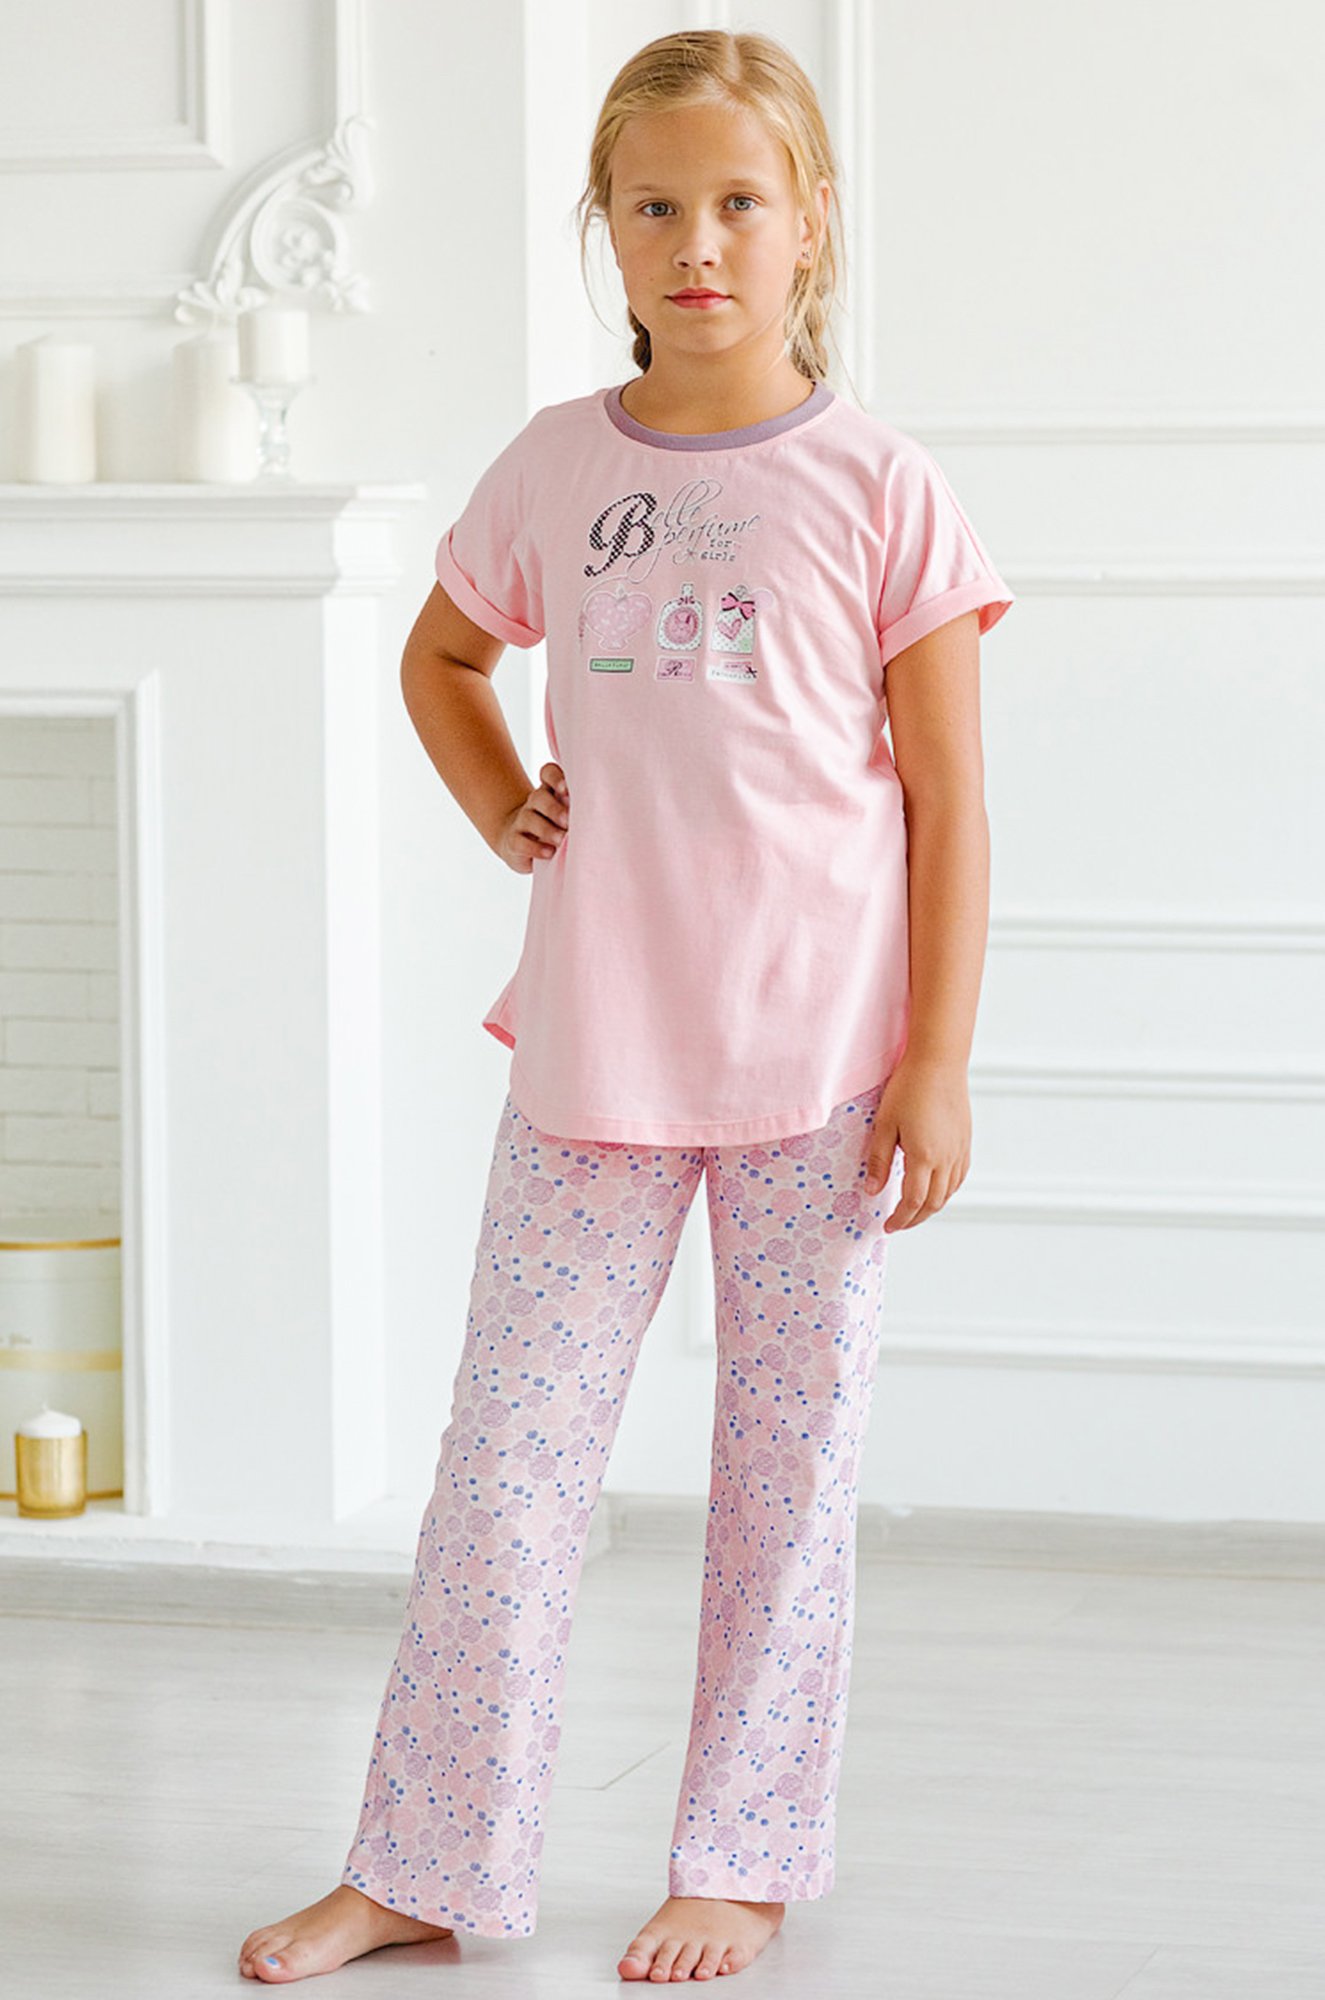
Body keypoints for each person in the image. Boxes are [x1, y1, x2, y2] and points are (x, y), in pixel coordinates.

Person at [238, 23, 1013, 1988]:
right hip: (593, 1052)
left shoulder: (880, 486)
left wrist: (935, 1059)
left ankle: (741, 1857)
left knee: (785, 1486)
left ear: (808, 219)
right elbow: (440, 657)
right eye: (654, 206)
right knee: (505, 1473)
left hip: (825, 1070)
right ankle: (426, 1860)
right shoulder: (555, 464)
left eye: (738, 201)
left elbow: (950, 803)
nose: (697, 242)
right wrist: (503, 798)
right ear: (606, 226)